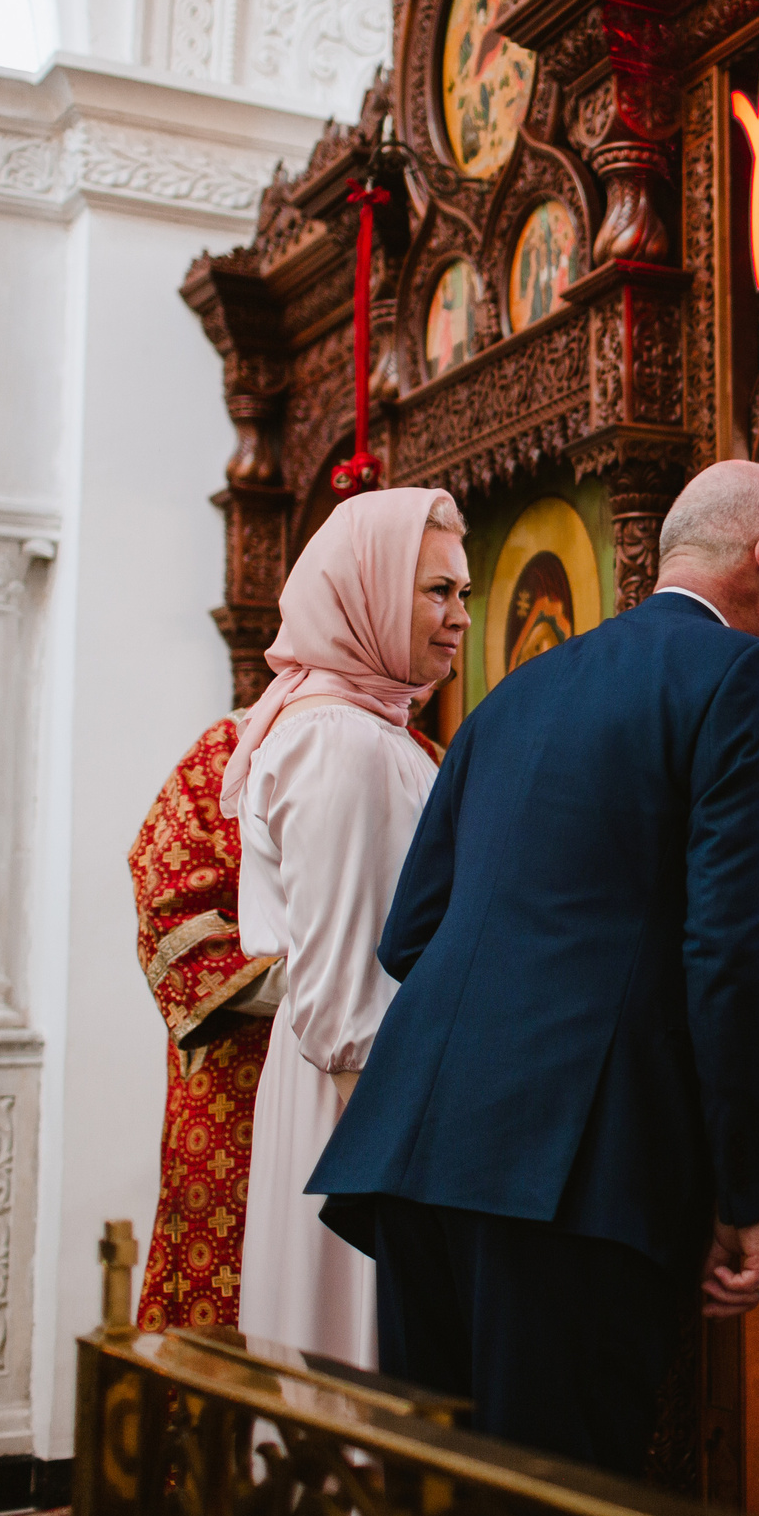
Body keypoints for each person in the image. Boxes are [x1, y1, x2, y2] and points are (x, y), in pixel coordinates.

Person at [311, 460, 759, 1472]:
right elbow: (730, 953)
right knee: (560, 1491)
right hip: (573, 1169)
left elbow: (411, 932)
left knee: (440, 1489)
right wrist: (748, 1194)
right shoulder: (746, 679)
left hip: (419, 1148)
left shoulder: (517, 691)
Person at [223, 487, 471, 1364]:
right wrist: (389, 1185)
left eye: (465, 595)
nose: (459, 620)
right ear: (365, 590)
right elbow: (342, 981)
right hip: (359, 1110)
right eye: (437, 591)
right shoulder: (339, 739)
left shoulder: (365, 727)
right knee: (358, 1362)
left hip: (364, 1095)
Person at [126, 712, 269, 1329]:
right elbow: (170, 902)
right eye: (432, 603)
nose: (457, 620)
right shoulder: (234, 748)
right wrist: (327, 982)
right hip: (240, 1084)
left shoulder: (431, 753)